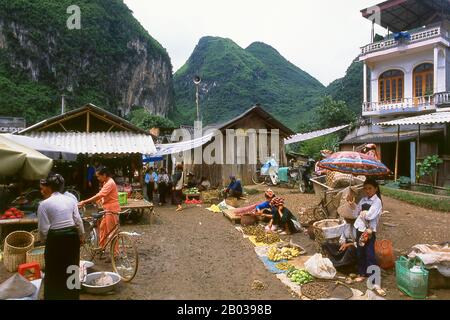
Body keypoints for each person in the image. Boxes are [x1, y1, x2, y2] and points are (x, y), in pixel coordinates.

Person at [38, 173, 84, 300]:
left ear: (49, 187)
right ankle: (73, 296)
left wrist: (46, 242)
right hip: (72, 237)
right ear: (62, 186)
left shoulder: (43, 204)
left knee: (54, 268)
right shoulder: (71, 200)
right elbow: (78, 221)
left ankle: (54, 295)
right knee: (72, 266)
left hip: (55, 238)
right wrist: (81, 236)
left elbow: (43, 230)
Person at [347, 178, 383, 288]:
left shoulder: (377, 202)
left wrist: (363, 213)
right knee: (360, 252)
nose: (367, 191)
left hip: (369, 232)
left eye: (370, 188)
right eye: (365, 188)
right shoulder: (363, 200)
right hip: (360, 229)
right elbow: (355, 213)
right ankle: (362, 273)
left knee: (370, 254)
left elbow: (370, 216)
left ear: (375, 189)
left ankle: (374, 278)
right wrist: (352, 203)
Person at [78, 166, 121, 251]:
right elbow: (103, 195)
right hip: (107, 209)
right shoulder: (106, 182)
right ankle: (102, 247)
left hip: (111, 210)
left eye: (98, 176)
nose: (97, 178)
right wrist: (100, 200)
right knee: (102, 228)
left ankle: (115, 253)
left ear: (104, 175)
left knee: (112, 233)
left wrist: (84, 202)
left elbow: (99, 195)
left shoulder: (110, 183)